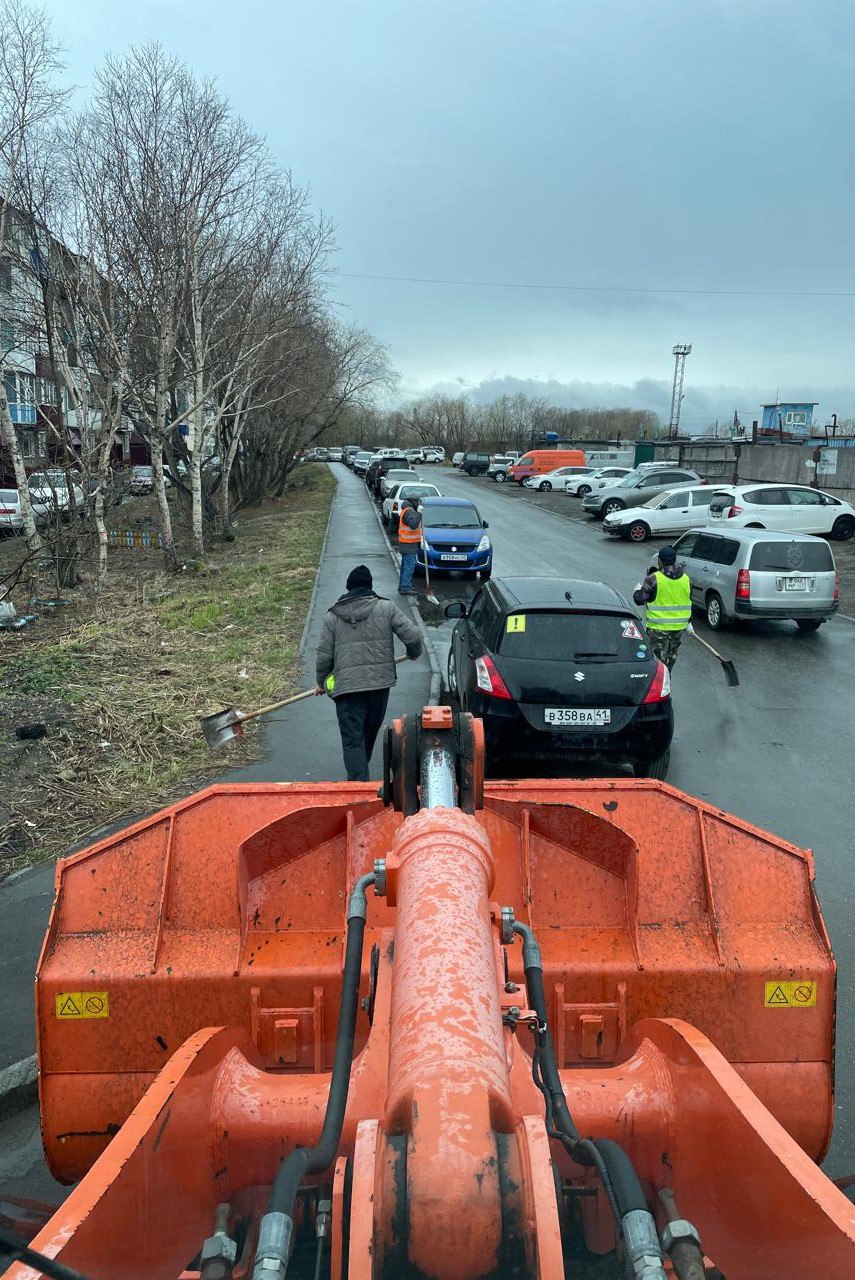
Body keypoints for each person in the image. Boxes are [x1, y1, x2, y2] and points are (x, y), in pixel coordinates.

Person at [315, 564, 423, 781]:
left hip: (347, 690)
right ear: (369, 587)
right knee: (367, 736)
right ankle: (361, 780)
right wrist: (413, 653)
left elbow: (324, 656)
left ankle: (358, 786)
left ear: (348, 588)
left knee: (353, 741)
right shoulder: (387, 608)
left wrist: (321, 681)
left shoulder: (332, 617)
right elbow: (414, 637)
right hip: (378, 686)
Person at [632, 544, 693, 670]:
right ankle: (667, 685)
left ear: (660, 561)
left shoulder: (654, 579)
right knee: (670, 661)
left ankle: (660, 687)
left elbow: (639, 600)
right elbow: (686, 601)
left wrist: (638, 590)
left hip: (657, 629)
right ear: (675, 560)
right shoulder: (686, 579)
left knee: (657, 664)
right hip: (677, 629)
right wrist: (688, 622)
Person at [397, 498, 422, 595]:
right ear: (414, 503)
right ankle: (406, 587)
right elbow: (414, 525)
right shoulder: (409, 511)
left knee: (405, 566)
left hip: (406, 543)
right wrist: (419, 513)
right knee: (409, 566)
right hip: (408, 543)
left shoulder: (406, 510)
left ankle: (402, 586)